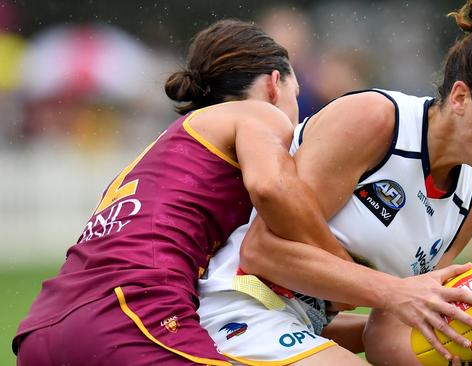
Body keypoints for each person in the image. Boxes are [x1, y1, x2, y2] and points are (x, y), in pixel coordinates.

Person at [197, 0, 472, 365]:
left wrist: (458, 346)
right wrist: (393, 291)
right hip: (235, 310)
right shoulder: (377, 121)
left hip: (302, 331)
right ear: (461, 97)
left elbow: (389, 333)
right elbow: (261, 253)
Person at [12, 19, 354, 366]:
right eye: (295, 97)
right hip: (131, 316)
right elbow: (270, 188)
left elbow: (252, 319)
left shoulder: (166, 150)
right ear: (273, 85)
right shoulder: (259, 113)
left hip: (44, 330)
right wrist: (344, 272)